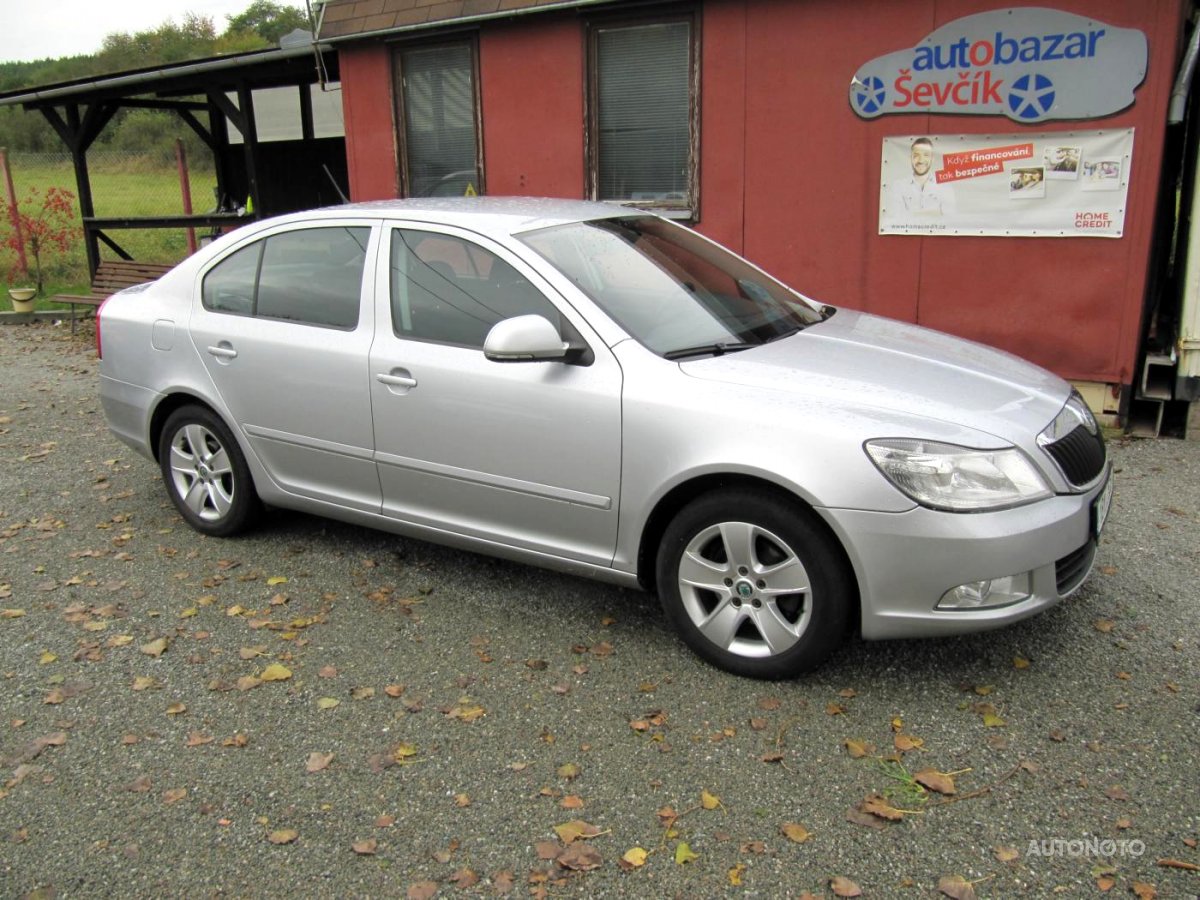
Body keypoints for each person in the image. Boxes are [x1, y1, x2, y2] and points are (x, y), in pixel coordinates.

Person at [890, 137, 955, 218]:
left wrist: (911, 215)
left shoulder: (945, 185)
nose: (921, 160)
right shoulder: (898, 186)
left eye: (926, 155)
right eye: (916, 155)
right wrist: (935, 214)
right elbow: (896, 219)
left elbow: (949, 219)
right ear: (910, 158)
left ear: (932, 159)